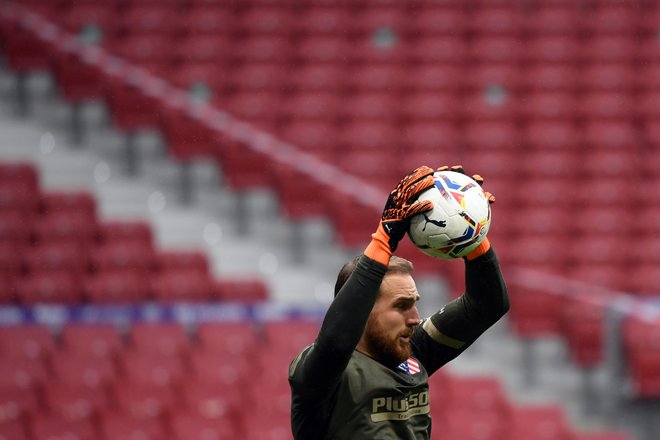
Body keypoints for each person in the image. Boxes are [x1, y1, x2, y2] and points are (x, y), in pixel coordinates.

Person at [289, 165, 509, 439]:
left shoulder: (414, 349)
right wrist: (383, 240)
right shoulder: (321, 373)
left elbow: (488, 305)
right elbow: (336, 342)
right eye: (401, 305)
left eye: (414, 302)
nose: (415, 317)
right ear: (362, 311)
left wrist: (469, 229)